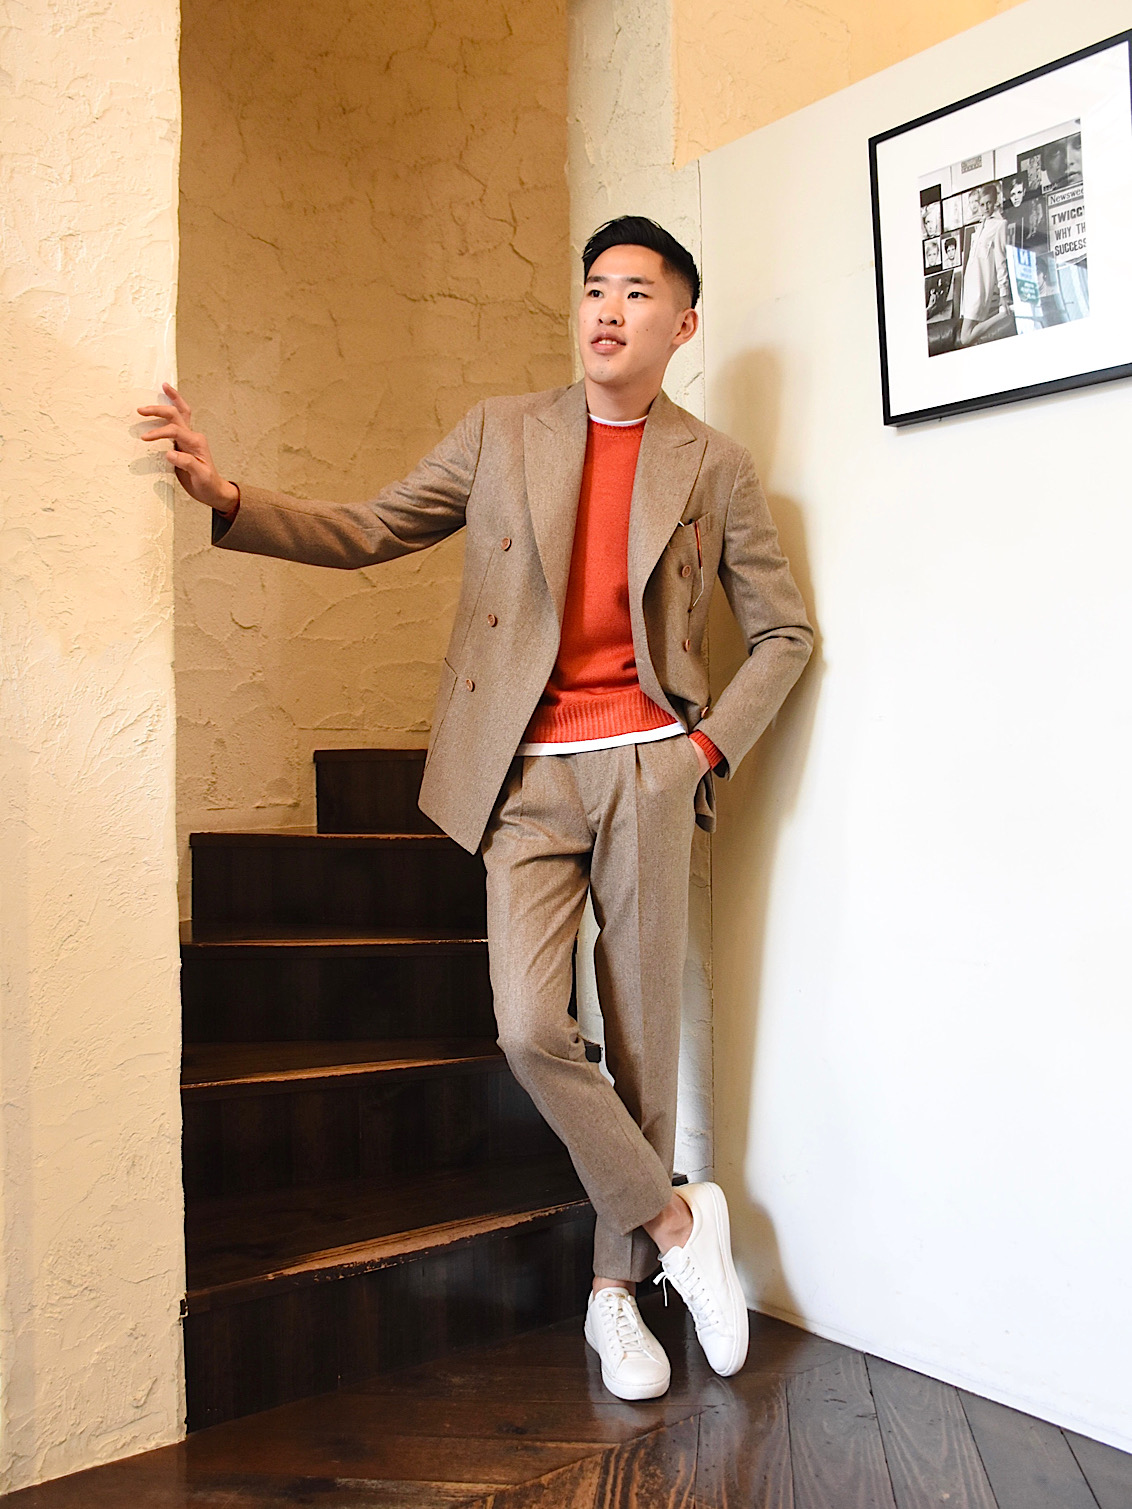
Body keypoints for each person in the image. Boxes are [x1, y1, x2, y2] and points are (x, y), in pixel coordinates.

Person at [138, 215, 813, 1403]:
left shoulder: (710, 464)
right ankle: (674, 1224)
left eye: (636, 292)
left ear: (682, 325)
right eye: (594, 288)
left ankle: (612, 1298)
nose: (607, 309)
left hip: (648, 768)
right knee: (528, 1027)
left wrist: (699, 752)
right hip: (526, 773)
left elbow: (783, 633)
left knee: (643, 1043)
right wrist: (226, 493)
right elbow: (369, 528)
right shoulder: (503, 432)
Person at [958, 184, 1015, 347]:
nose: (985, 208)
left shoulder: (1000, 225)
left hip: (980, 287)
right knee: (970, 338)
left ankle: (1002, 314)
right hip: (969, 286)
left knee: (965, 338)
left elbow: (1001, 261)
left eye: (989, 203)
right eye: (982, 204)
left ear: (995, 201)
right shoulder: (979, 227)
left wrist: (1003, 294)